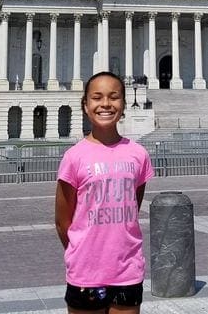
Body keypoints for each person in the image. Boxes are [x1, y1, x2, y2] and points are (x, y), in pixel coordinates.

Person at [55, 71, 154, 314]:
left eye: (114, 97)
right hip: (86, 272)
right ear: (86, 106)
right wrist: (82, 249)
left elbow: (132, 203)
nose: (106, 104)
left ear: (123, 103)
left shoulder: (138, 154)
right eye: (97, 97)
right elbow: (62, 221)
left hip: (127, 271)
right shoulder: (74, 156)